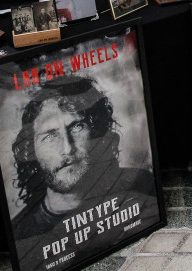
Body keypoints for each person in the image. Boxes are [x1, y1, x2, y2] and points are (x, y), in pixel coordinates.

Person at [10, 76, 160, 270]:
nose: (66, 148)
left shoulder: (143, 184)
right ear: (33, 152)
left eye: (77, 127)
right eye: (49, 136)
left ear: (97, 133)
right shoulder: (22, 234)